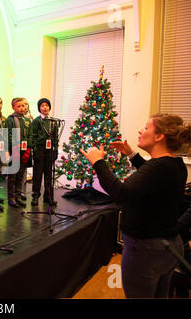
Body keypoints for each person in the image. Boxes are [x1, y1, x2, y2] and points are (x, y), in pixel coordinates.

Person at [80, 113, 191, 298]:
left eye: (146, 127)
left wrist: (98, 162)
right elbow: (151, 178)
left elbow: (121, 193)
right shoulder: (175, 164)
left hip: (146, 251)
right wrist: (131, 154)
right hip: (168, 247)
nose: (141, 130)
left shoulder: (157, 168)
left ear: (159, 136)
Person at [29, 98, 58, 206]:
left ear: (49, 107)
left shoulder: (53, 121)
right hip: (39, 150)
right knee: (37, 174)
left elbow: (56, 137)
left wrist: (55, 150)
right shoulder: (37, 121)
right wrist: (34, 150)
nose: (45, 107)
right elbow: (33, 136)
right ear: (39, 108)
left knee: (48, 174)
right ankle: (35, 196)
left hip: (49, 150)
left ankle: (48, 196)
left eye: (46, 105)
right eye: (42, 106)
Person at [5, 98, 31, 208]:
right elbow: (7, 134)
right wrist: (14, 145)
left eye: (23, 106)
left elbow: (30, 135)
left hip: (24, 151)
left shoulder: (27, 120)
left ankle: (18, 196)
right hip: (14, 150)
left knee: (21, 175)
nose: (22, 108)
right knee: (13, 176)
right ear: (13, 107)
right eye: (19, 106)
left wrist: (28, 147)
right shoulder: (10, 119)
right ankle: (11, 197)